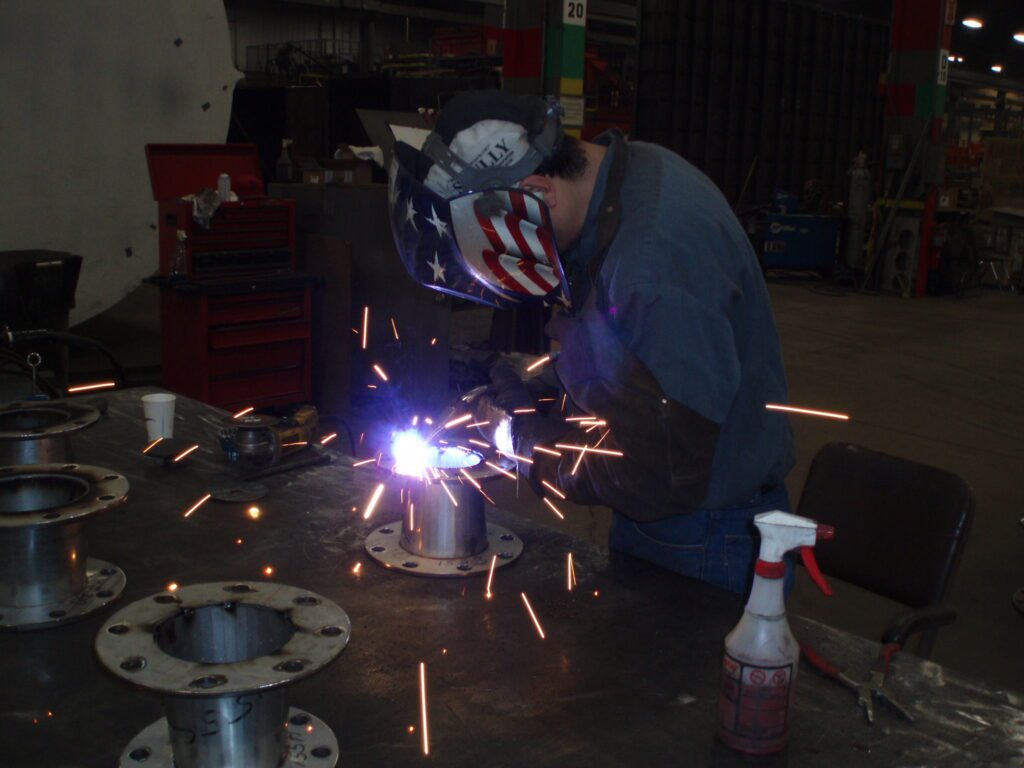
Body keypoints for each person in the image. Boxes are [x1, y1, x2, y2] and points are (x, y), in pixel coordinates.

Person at [388, 90, 794, 595]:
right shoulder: (623, 181)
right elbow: (637, 366)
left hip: (706, 538)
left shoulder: (651, 265)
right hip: (678, 516)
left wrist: (530, 448)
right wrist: (543, 377)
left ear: (538, 192)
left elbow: (659, 475)